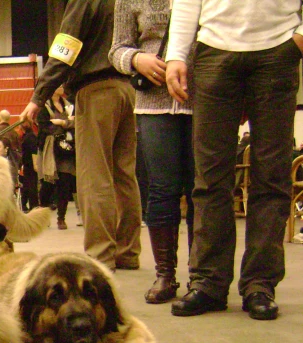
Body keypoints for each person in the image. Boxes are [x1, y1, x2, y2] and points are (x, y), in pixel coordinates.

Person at [165, 1, 302, 321]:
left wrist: (297, 40)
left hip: (278, 49)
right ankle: (209, 283)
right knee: (210, 177)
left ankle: (260, 283)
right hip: (214, 48)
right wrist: (175, 54)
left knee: (272, 176)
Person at [21, 0, 143, 271]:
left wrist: (38, 97)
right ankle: (128, 252)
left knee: (94, 175)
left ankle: (101, 256)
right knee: (125, 175)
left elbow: (66, 49)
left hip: (96, 90)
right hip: (129, 90)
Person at [109, 0, 196, 304]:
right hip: (153, 104)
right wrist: (135, 60)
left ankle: (200, 277)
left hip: (204, 101)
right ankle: (165, 275)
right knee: (161, 189)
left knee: (203, 191)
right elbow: (117, 49)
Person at [35, 87, 76, 230]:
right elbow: (44, 127)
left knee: (65, 183)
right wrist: (66, 123)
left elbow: (76, 123)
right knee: (47, 184)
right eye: (56, 85)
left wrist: (61, 123)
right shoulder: (43, 107)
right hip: (50, 150)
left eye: (61, 85)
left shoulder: (69, 105)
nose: (59, 87)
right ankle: (43, 215)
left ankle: (61, 218)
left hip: (66, 149)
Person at [19, 121, 39, 212]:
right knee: (29, 186)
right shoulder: (30, 136)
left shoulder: (29, 137)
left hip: (30, 165)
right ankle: (30, 205)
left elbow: (33, 152)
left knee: (31, 186)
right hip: (28, 165)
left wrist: (35, 164)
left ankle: (33, 206)